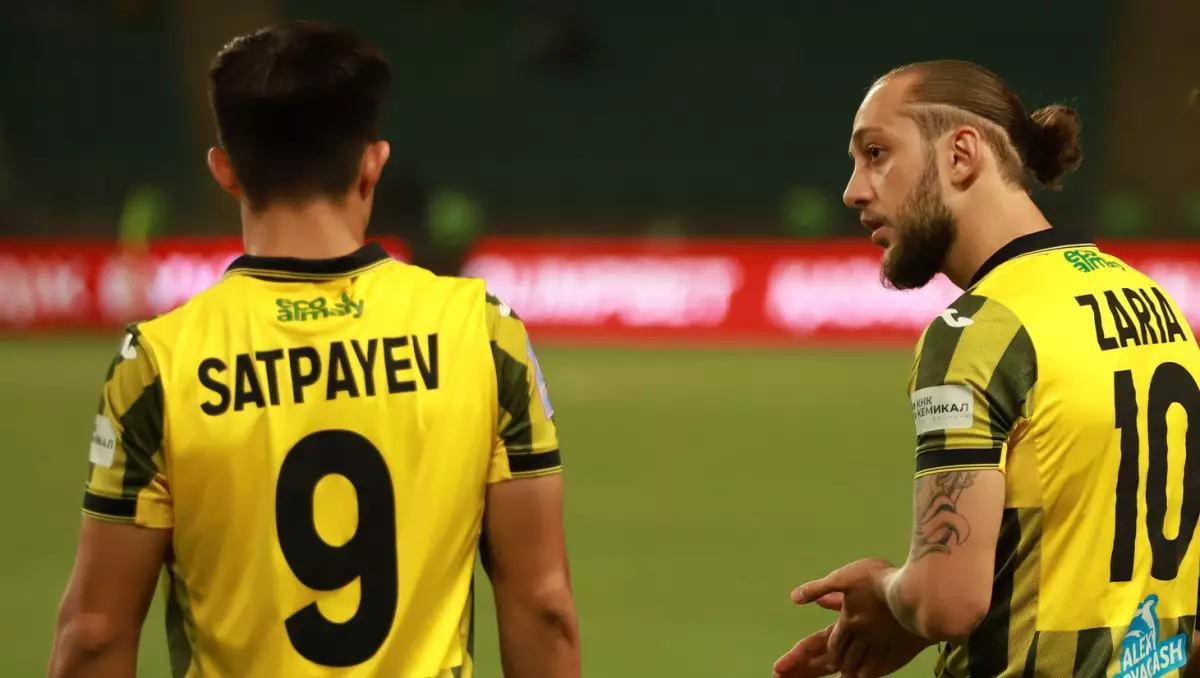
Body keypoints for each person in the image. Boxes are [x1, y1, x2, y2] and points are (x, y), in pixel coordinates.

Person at [48, 20, 580, 678]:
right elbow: (543, 606)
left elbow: (94, 634)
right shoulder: (483, 332)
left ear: (224, 170)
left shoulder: (158, 363)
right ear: (372, 163)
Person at [774, 59, 1200, 678]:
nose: (853, 190)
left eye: (876, 153)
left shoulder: (977, 332)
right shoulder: (1155, 304)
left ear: (961, 154)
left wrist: (889, 590)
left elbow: (946, 602)